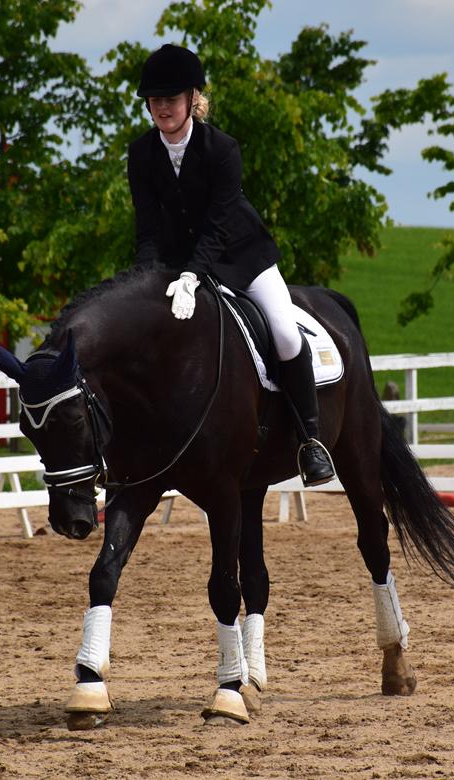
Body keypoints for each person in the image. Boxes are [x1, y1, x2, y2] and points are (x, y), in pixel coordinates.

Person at [127, 43, 335, 487]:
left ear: (192, 100)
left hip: (242, 258)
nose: (162, 107)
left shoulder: (222, 149)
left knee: (281, 330)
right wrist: (146, 280)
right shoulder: (141, 154)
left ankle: (310, 440)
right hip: (179, 264)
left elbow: (219, 227)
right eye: (155, 100)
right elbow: (147, 229)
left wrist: (192, 275)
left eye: (171, 99)